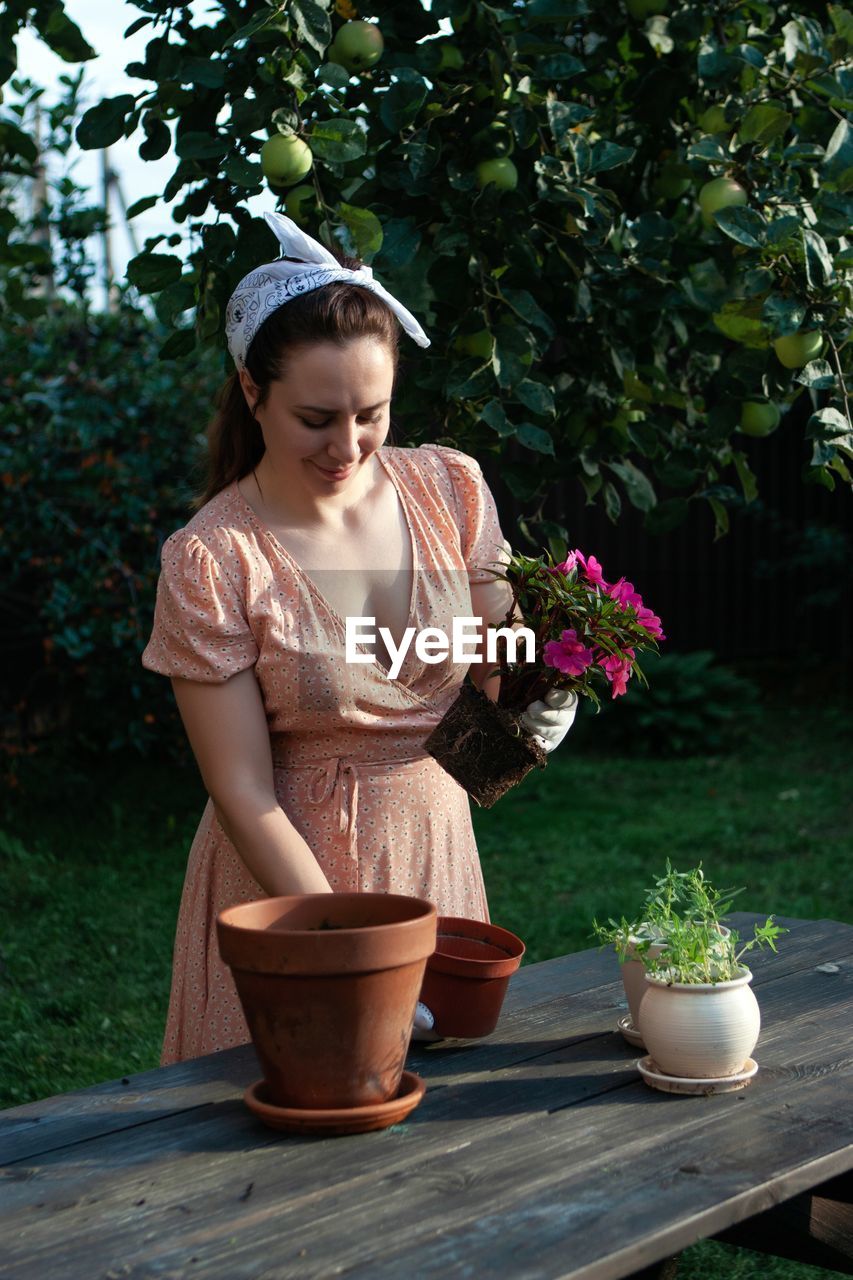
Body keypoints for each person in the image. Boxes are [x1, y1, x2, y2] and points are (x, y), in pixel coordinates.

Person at [141, 212, 577, 1064]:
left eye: (369, 414)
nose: (348, 446)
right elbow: (241, 790)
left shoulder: (449, 488)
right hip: (293, 882)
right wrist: (350, 954)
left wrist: (540, 687)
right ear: (252, 390)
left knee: (438, 1155)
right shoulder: (212, 559)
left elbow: (500, 644)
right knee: (283, 1147)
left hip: (432, 847)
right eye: (316, 418)